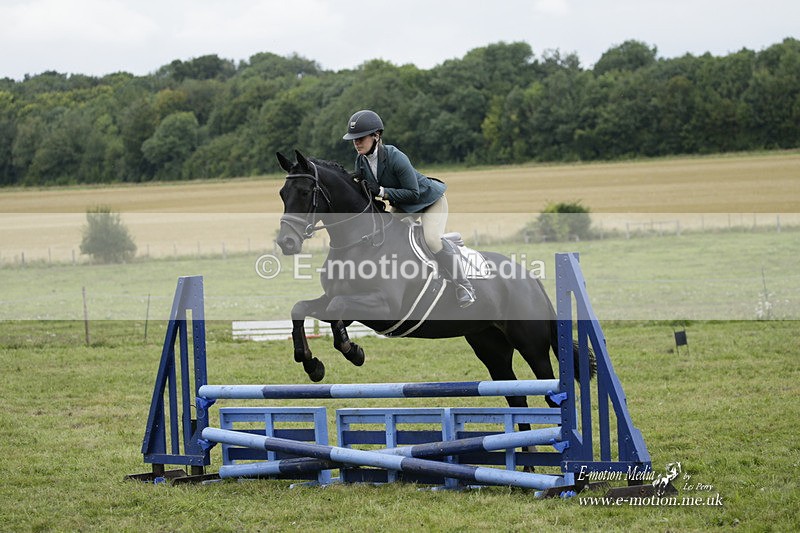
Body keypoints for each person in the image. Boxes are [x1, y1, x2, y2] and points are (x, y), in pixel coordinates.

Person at [343, 109, 476, 308]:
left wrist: (380, 191)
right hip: (403, 206)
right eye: (354, 139)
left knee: (431, 239)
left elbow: (413, 193)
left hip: (429, 202)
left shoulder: (396, 157)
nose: (356, 143)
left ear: (376, 135)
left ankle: (464, 285)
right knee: (382, 236)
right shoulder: (361, 161)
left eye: (361, 138)